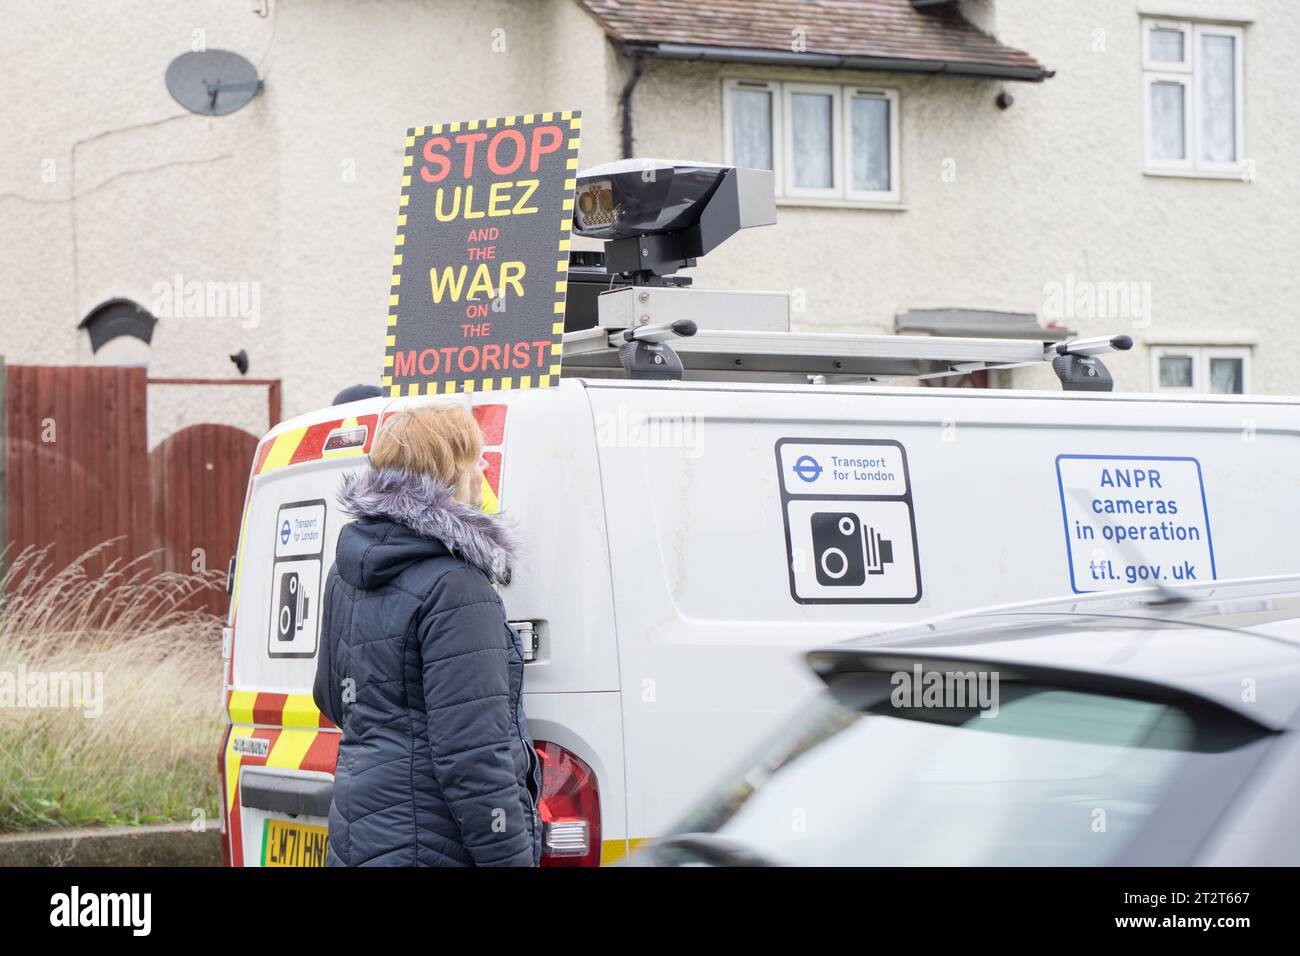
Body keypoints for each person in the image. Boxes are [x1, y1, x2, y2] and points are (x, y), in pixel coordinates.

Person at [312, 403, 541, 866]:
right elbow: (474, 757)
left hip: (359, 835)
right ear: (452, 470)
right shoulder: (456, 586)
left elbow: (332, 699)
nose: (483, 468)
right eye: (476, 458)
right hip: (432, 844)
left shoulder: (345, 571)